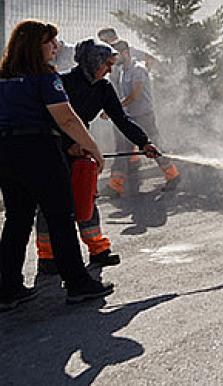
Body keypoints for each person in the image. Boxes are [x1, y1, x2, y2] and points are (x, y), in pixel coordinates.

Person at [0, 20, 114, 310]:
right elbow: (66, 118)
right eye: (50, 42)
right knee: (61, 216)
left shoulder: (2, 77)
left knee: (17, 219)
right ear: (34, 46)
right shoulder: (45, 78)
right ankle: (77, 283)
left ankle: (8, 287)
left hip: (6, 153)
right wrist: (93, 148)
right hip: (39, 151)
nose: (56, 47)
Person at [34, 39, 163, 275]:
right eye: (107, 64)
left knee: (86, 197)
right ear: (93, 62)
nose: (110, 70)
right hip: (53, 148)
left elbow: (121, 119)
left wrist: (144, 142)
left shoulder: (103, 88)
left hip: (80, 147)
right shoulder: (62, 83)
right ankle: (47, 256)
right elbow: (47, 120)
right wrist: (68, 145)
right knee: (50, 204)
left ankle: (98, 250)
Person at [108, 40, 179, 196]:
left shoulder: (138, 70)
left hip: (144, 117)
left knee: (155, 147)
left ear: (125, 53)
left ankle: (173, 175)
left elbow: (135, 95)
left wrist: (114, 109)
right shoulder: (122, 71)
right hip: (130, 117)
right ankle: (115, 185)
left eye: (115, 55)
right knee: (123, 150)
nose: (113, 59)